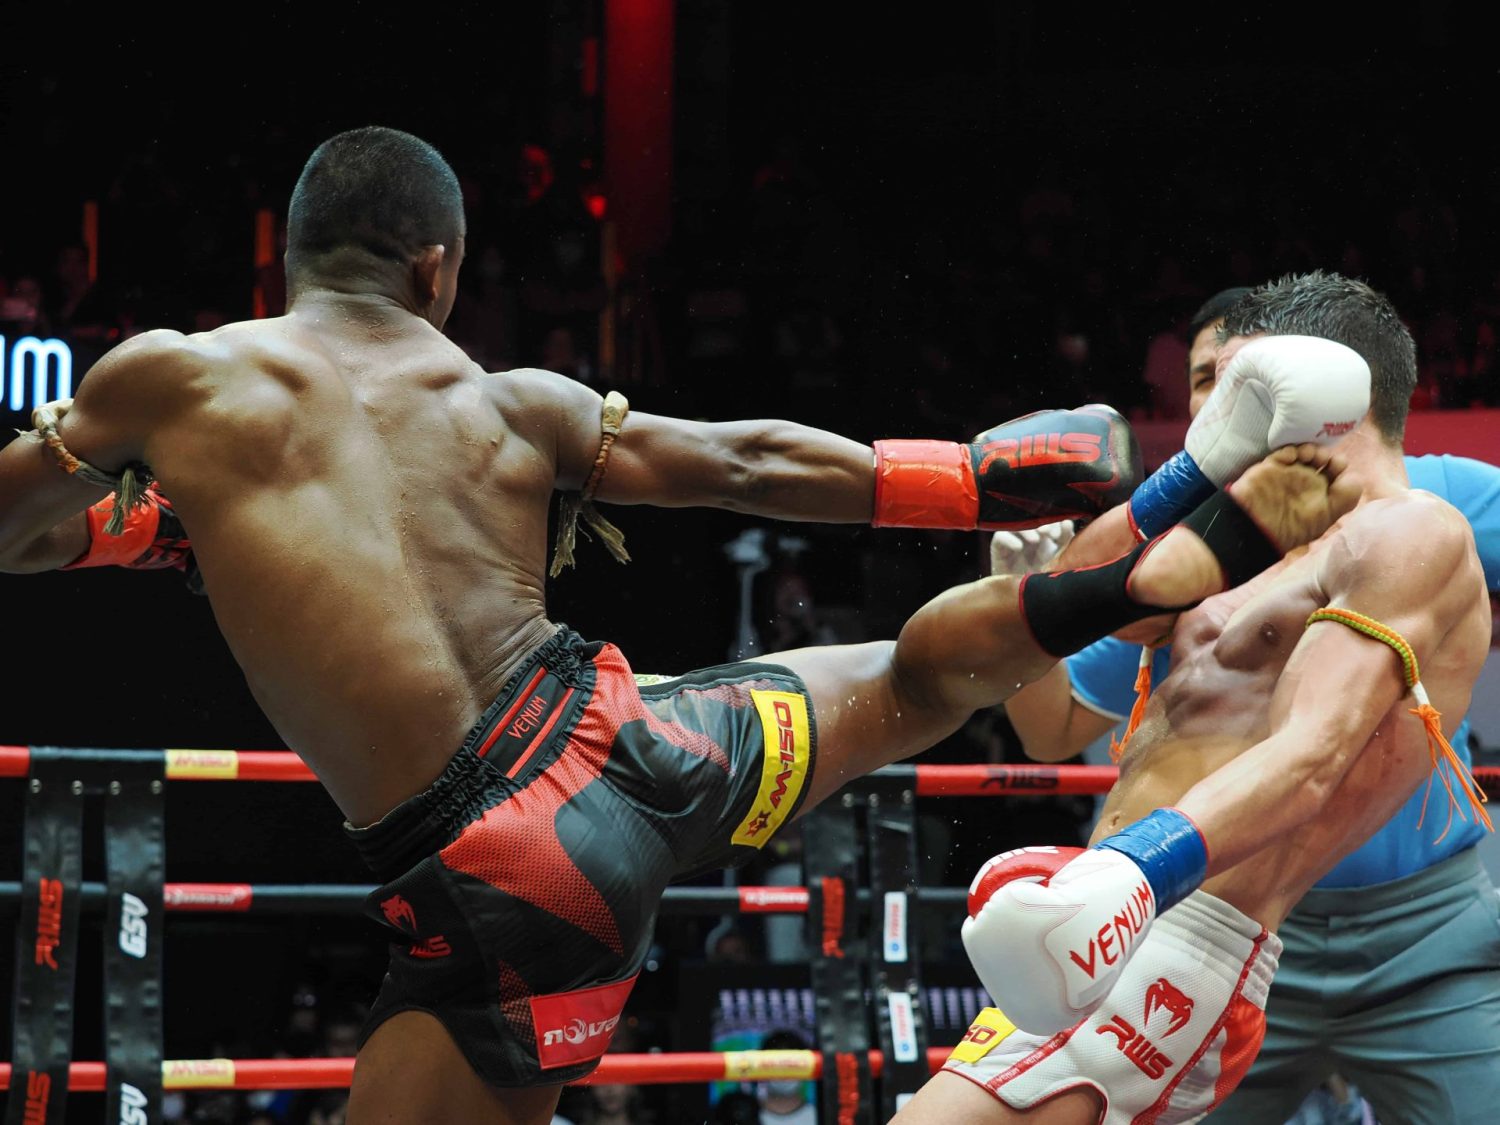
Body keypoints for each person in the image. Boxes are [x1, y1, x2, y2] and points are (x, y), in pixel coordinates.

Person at [0, 129, 1358, 1125]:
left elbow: (13, 528)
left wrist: (130, 514)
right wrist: (967, 471)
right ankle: (1160, 527)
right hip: (640, 745)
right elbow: (748, 460)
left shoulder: (179, 381)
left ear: (285, 261)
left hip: (508, 884)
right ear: (439, 271)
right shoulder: (508, 398)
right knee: (910, 676)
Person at [895, 272, 1494, 1124]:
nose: (1215, 417)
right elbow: (1068, 613)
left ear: (1326, 390)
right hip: (1137, 921)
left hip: (1260, 922)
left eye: (1239, 392)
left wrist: (1136, 871)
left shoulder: (1418, 524)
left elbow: (1312, 754)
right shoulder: (1239, 535)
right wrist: (1185, 476)